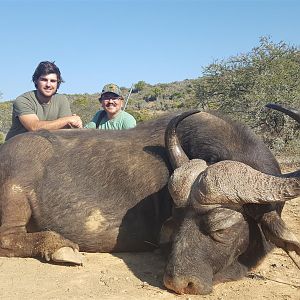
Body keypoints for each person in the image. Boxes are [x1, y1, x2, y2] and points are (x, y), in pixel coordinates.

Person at [5, 61, 82, 141]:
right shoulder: (23, 100)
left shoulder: (62, 99)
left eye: (53, 81)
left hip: (46, 147)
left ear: (57, 83)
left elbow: (65, 130)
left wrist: (74, 124)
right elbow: (34, 128)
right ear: (36, 81)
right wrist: (67, 120)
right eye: (44, 80)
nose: (48, 85)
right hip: (16, 148)